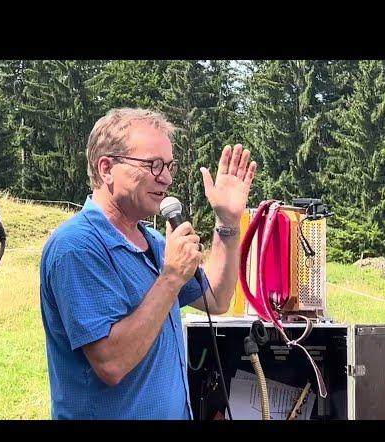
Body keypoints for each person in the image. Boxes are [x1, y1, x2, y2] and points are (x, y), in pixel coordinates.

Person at [40, 108, 257, 419]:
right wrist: (170, 278)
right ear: (106, 168)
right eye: (152, 165)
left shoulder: (154, 242)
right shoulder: (77, 246)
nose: (166, 177)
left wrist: (228, 221)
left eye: (169, 165)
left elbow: (218, 298)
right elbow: (110, 364)